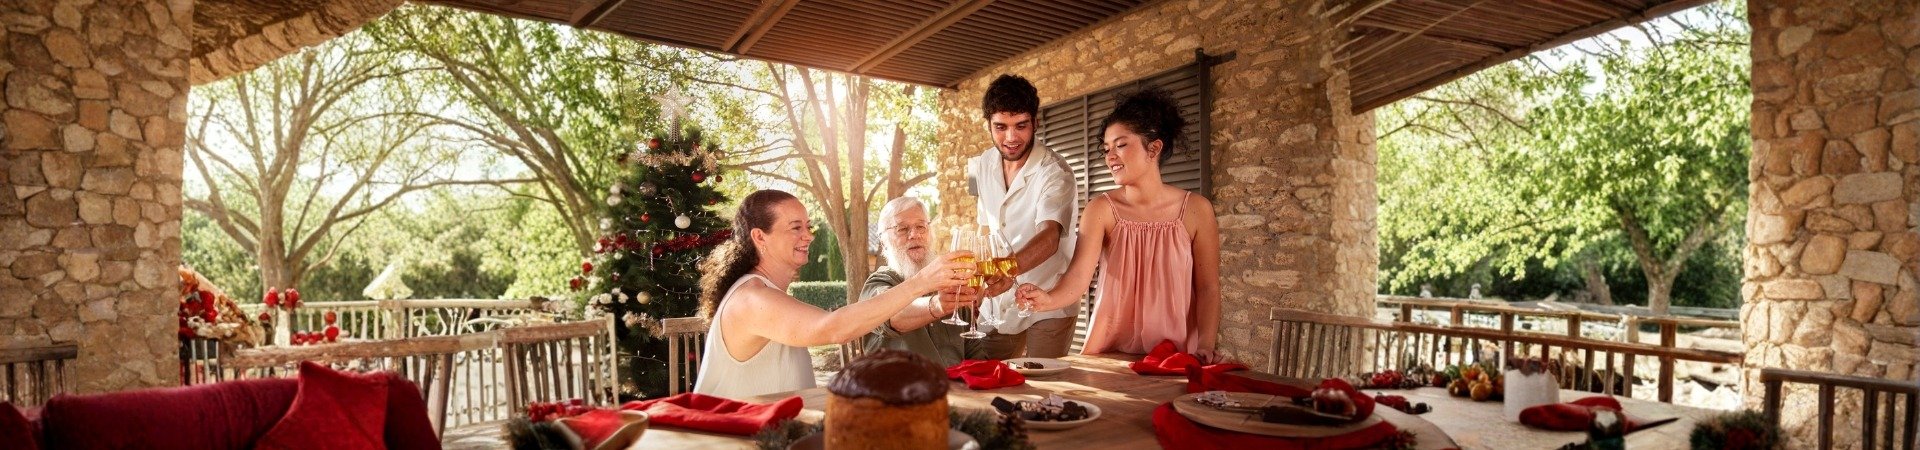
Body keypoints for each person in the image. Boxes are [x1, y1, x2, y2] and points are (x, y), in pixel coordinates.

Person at [693, 190, 971, 398]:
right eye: (796, 227)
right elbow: (833, 328)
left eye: (808, 226)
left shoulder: (766, 292)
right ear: (759, 237)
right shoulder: (751, 298)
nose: (809, 235)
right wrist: (923, 281)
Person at [1017, 87, 1222, 360]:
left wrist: (1205, 346)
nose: (1110, 156)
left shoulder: (1196, 210)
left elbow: (1208, 288)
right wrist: (1048, 299)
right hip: (1110, 354)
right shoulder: (1101, 210)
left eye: (1121, 145)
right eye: (1106, 149)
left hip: (1176, 356)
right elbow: (1078, 277)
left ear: (1154, 148)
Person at [966, 74, 1079, 359]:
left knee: (1043, 382)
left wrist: (1007, 270)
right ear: (988, 124)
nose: (1011, 138)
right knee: (988, 376)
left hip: (1048, 299)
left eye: (1021, 125)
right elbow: (983, 229)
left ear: (1035, 123)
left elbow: (1050, 236)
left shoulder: (1055, 172)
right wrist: (977, 282)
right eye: (1000, 127)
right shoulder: (982, 165)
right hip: (997, 303)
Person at [862, 196, 987, 367]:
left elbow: (974, 352)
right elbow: (890, 315)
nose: (915, 235)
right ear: (883, 241)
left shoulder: (951, 285)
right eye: (902, 229)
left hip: (955, 384)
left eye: (921, 227)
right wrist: (937, 305)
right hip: (902, 384)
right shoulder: (879, 282)